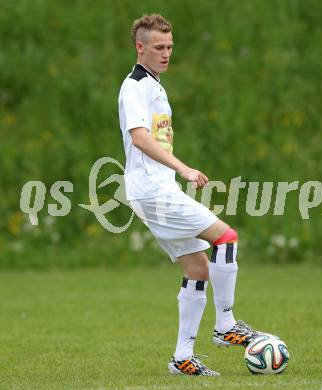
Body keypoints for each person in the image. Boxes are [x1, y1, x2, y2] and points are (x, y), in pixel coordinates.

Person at [118, 13, 262, 376]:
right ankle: (226, 325)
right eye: (158, 47)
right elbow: (139, 137)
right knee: (226, 237)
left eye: (169, 47)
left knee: (197, 266)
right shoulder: (134, 86)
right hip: (151, 189)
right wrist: (183, 168)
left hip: (156, 188)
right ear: (140, 47)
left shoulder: (155, 84)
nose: (166, 54)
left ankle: (182, 358)